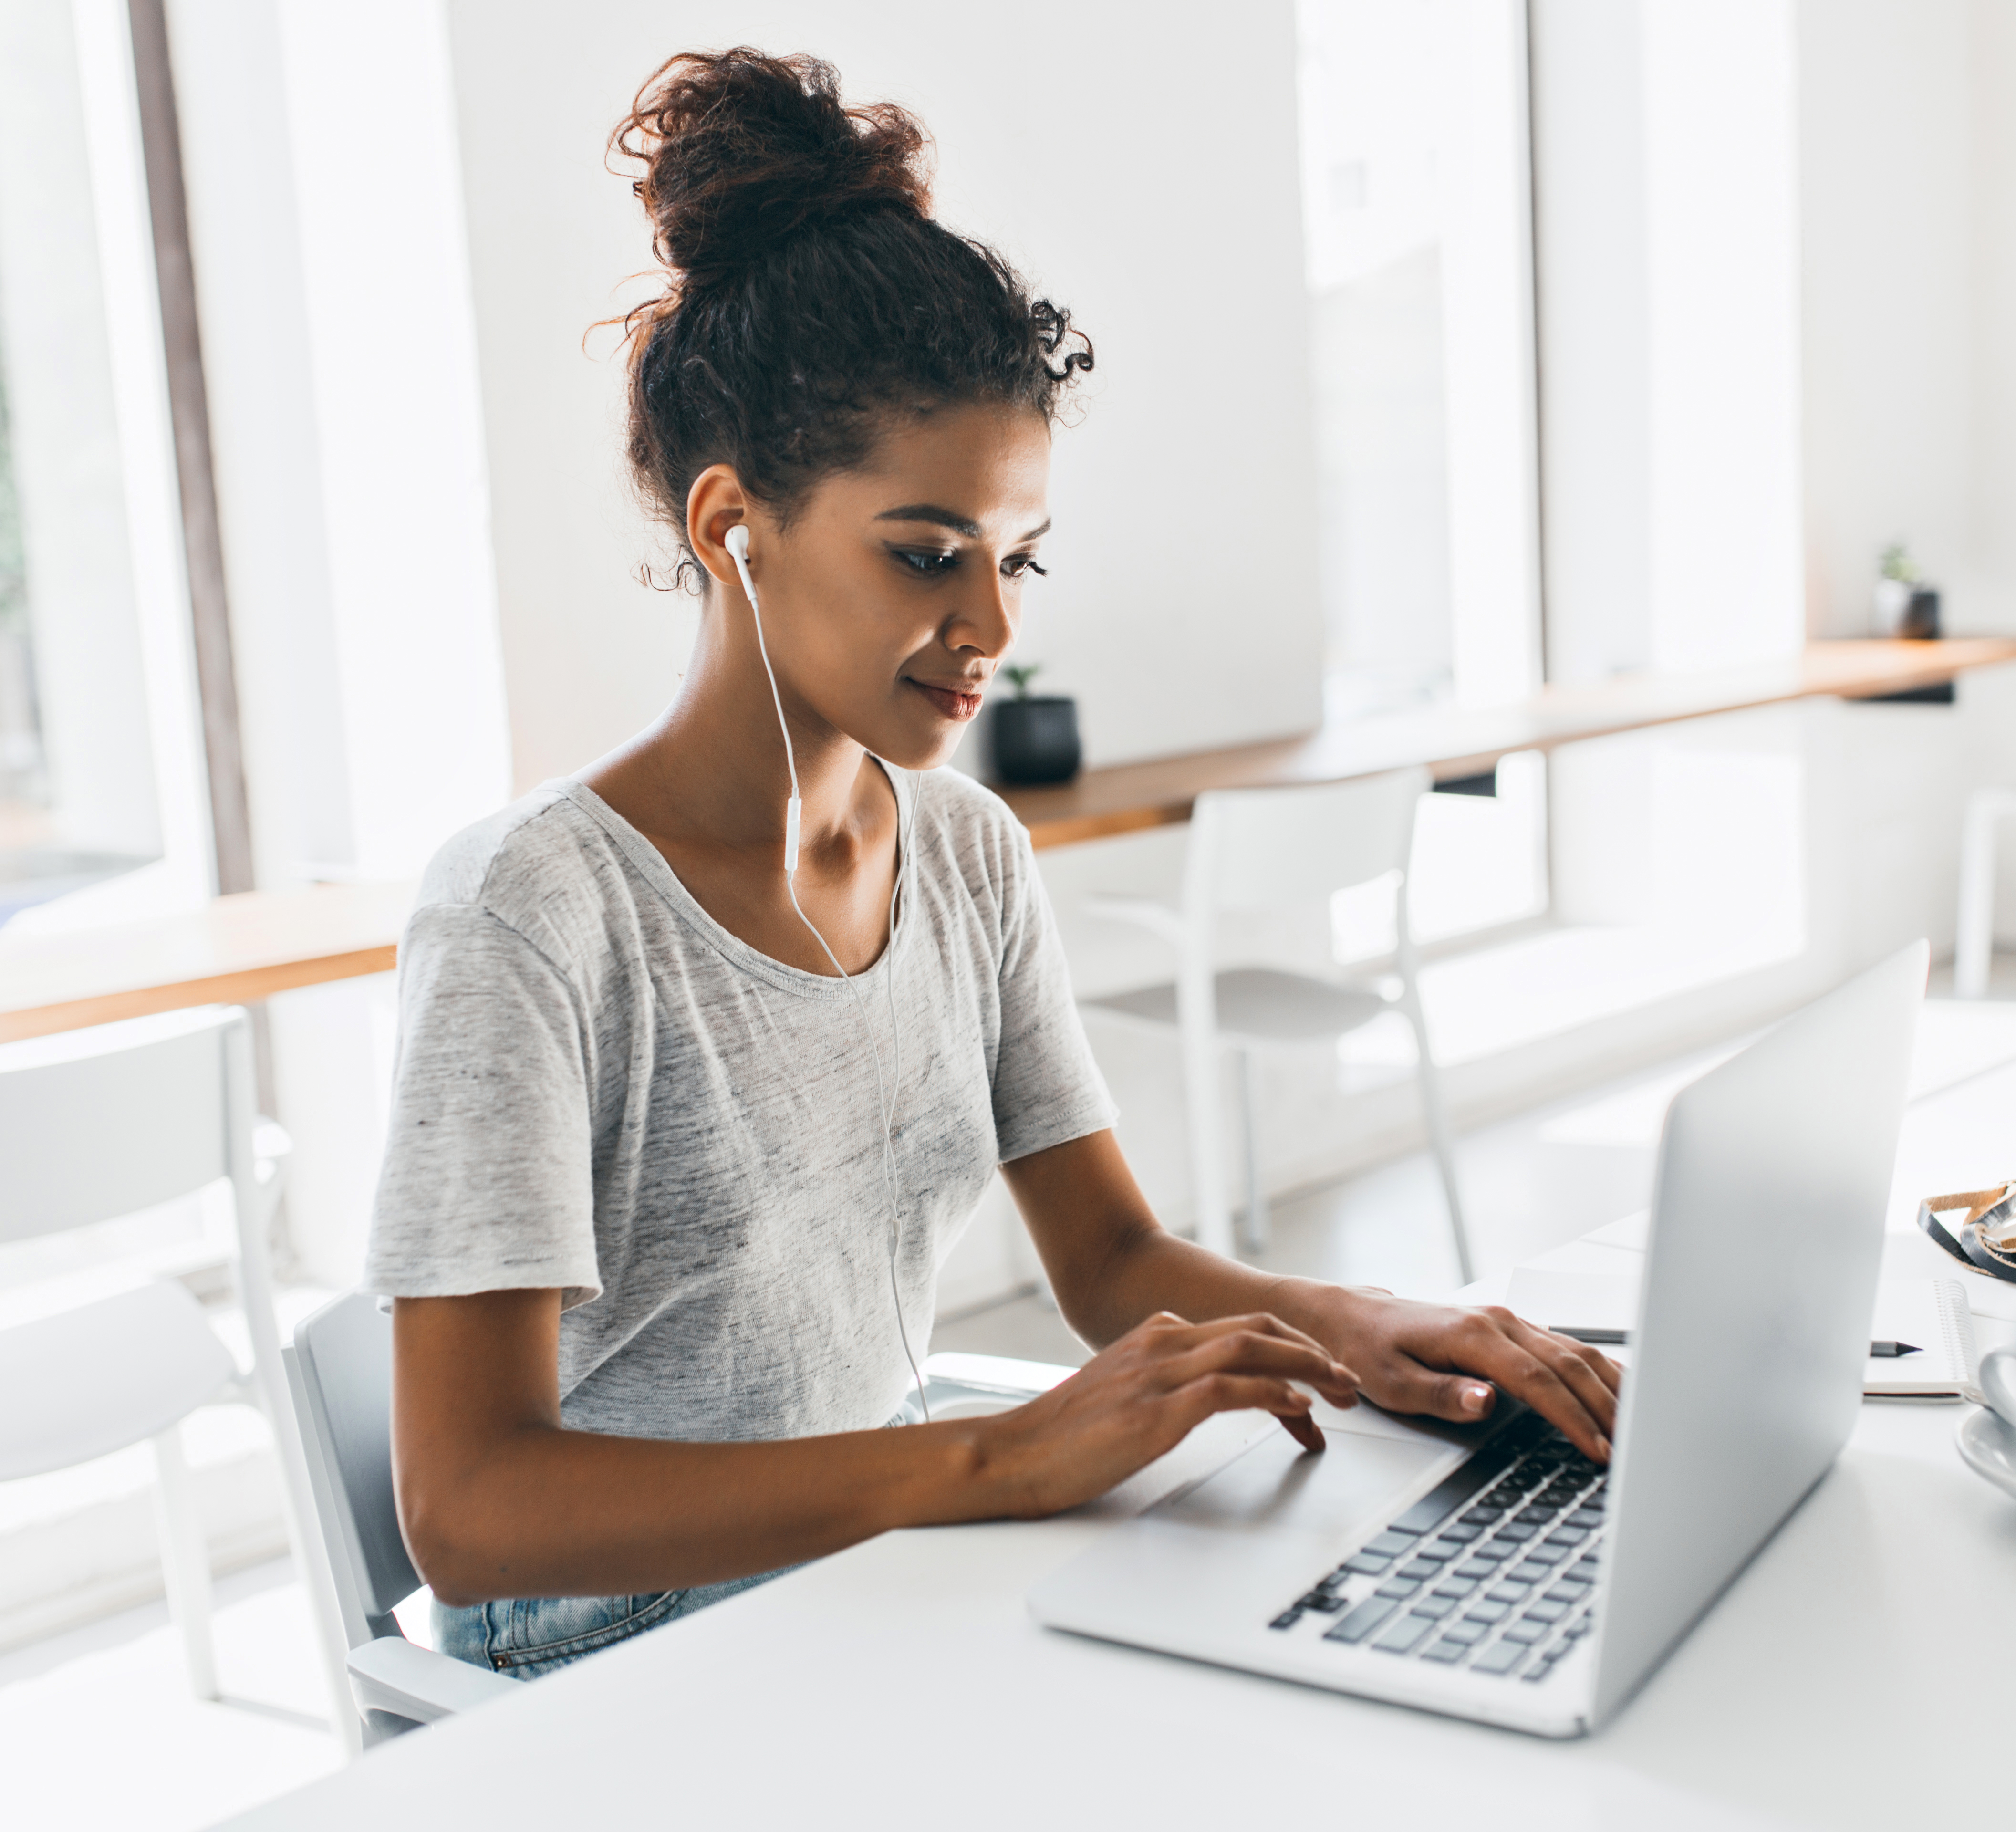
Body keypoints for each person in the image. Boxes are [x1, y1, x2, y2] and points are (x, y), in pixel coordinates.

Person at [366, 46, 1622, 1681]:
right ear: (730, 524)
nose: (994, 626)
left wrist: (1364, 1324)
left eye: (1015, 556)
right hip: (613, 1649)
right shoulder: (533, 914)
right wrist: (993, 1462)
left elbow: (1108, 1263)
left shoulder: (959, 851)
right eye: (926, 554)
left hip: (863, 1564)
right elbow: (471, 1512)